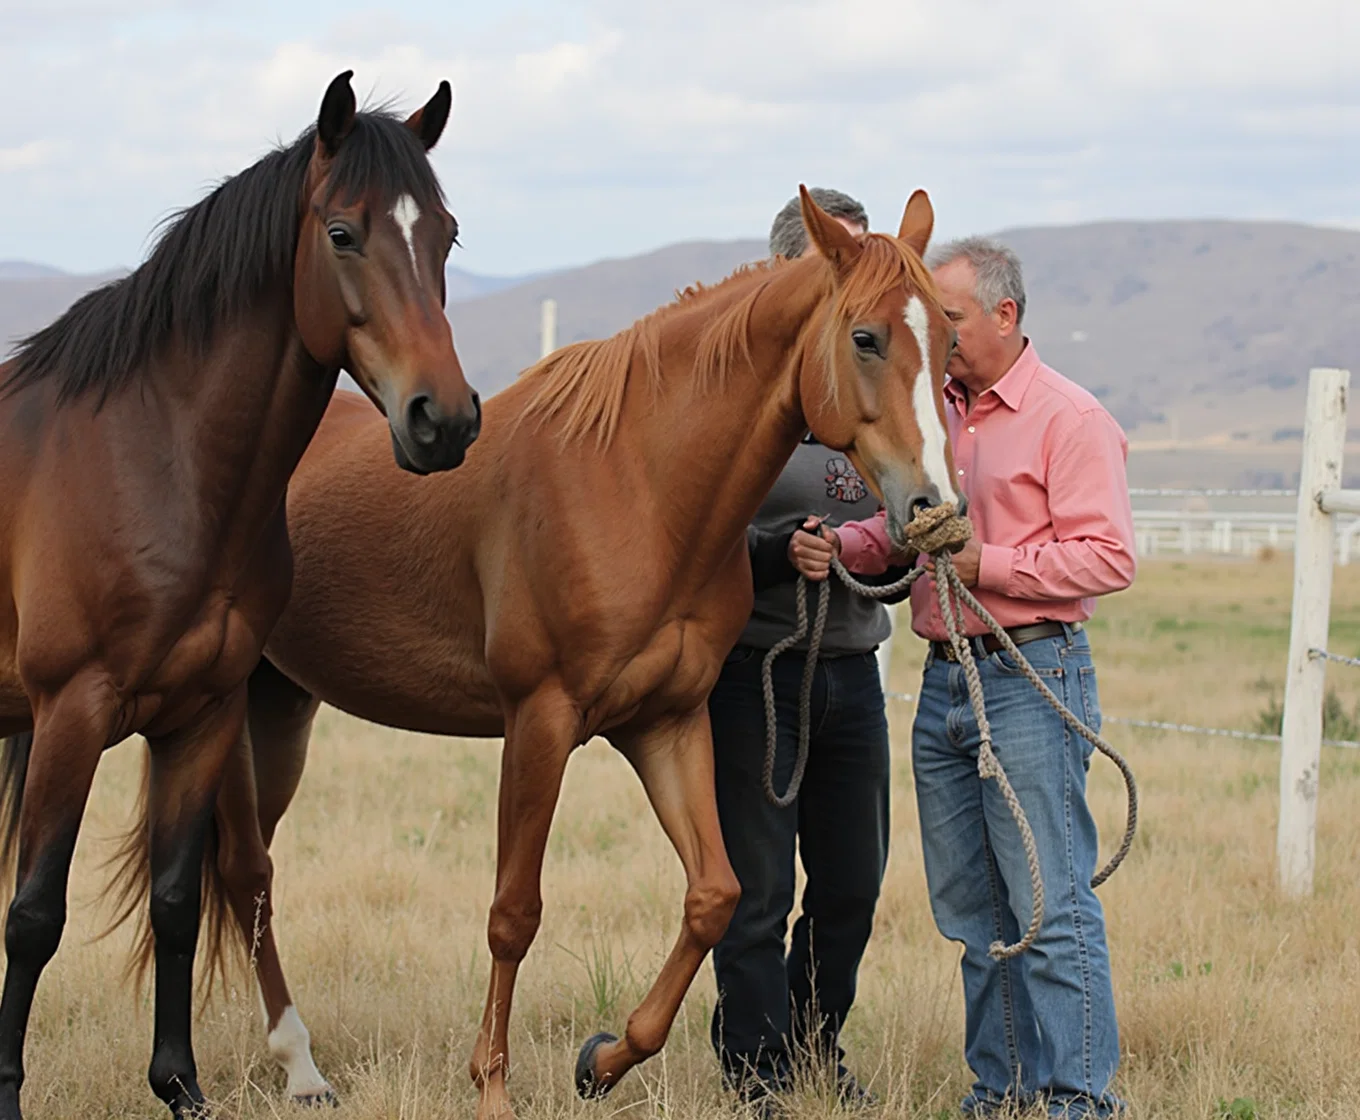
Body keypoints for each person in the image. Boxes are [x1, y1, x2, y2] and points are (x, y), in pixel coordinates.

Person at [837, 237, 1135, 1116]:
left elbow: (1108, 557)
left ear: (1006, 315)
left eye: (953, 319)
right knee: (973, 915)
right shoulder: (939, 410)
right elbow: (913, 531)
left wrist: (988, 563)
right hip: (944, 684)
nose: (942, 335)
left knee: (1051, 909)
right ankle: (999, 1094)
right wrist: (842, 546)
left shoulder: (1069, 419)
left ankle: (1079, 1101)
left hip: (1031, 671)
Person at [707, 188, 912, 1114]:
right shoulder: (732, 406)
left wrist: (905, 543)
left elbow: (896, 521)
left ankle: (812, 1045)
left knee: (852, 886)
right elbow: (692, 540)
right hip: (758, 669)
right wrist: (771, 551)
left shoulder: (861, 392)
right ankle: (753, 1072)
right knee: (755, 891)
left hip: (853, 668)